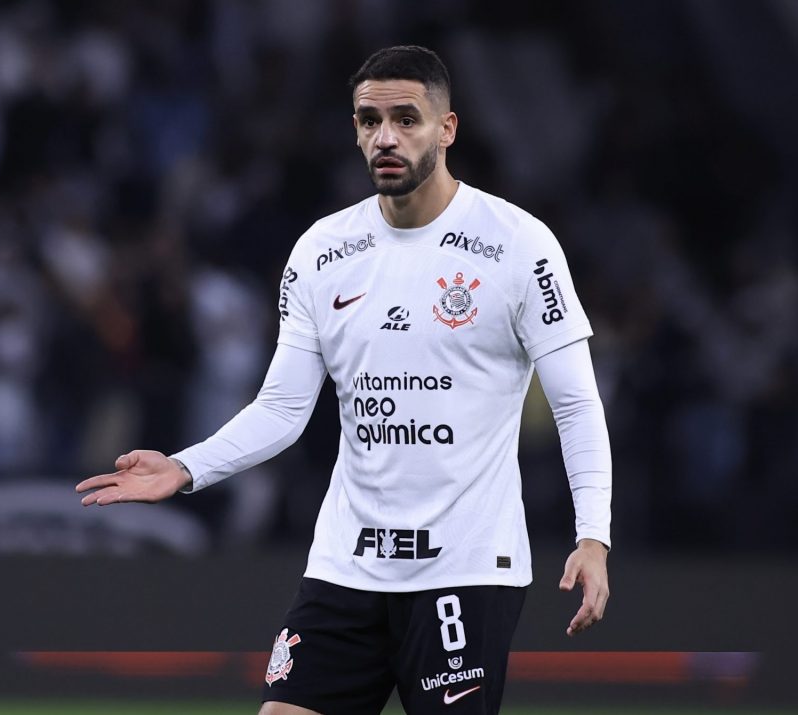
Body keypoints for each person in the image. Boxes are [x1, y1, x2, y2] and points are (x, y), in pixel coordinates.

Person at [76, 45, 611, 715]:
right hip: (345, 565)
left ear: (447, 129)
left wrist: (594, 534)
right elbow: (282, 408)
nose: (385, 136)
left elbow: (576, 404)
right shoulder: (323, 252)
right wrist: (185, 468)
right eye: (369, 119)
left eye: (406, 118)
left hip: (465, 570)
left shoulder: (519, 245)